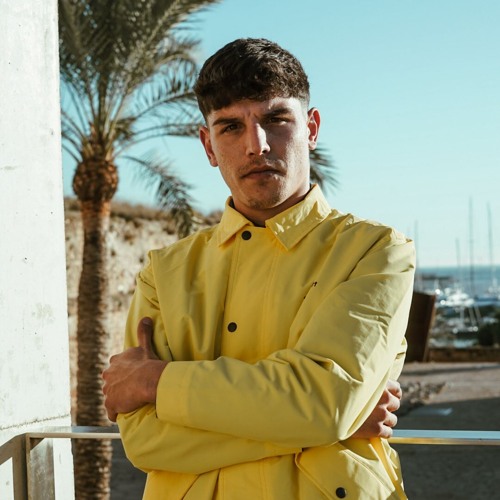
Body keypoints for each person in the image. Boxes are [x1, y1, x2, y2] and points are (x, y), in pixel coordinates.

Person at [102, 38, 415, 499]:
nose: (257, 145)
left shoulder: (376, 251)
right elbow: (145, 440)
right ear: (208, 146)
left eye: (275, 119)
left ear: (311, 128)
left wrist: (154, 381)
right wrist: (326, 424)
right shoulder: (163, 272)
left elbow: (325, 404)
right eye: (231, 127)